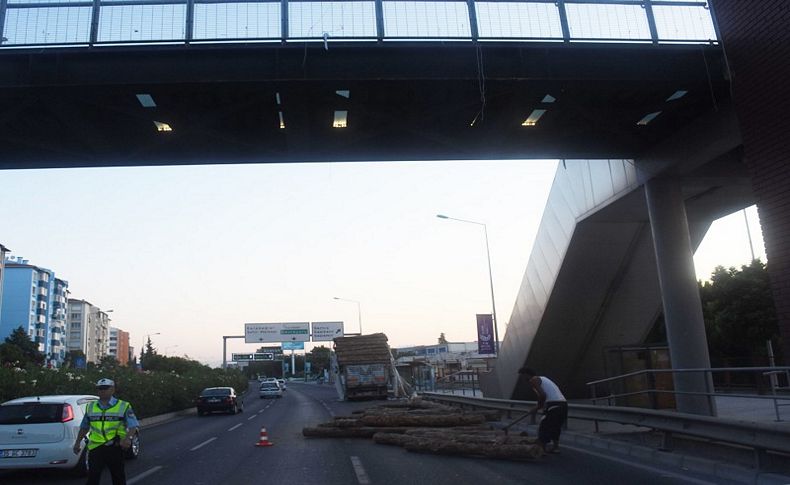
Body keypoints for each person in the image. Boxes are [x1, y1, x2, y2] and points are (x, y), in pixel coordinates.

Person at [73, 378, 140, 485]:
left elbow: (133, 424)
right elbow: (85, 426)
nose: (102, 391)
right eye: (99, 388)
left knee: (118, 476)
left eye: (105, 388)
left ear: (113, 389)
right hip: (96, 447)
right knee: (93, 478)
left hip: (115, 446)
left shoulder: (123, 405)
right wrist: (77, 443)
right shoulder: (91, 406)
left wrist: (128, 439)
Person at [519, 367, 567, 453]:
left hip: (553, 405)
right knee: (555, 427)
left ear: (526, 374)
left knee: (544, 427)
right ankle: (555, 447)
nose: (522, 379)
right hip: (563, 404)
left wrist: (537, 407)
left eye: (522, 376)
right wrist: (541, 406)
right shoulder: (543, 378)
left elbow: (543, 395)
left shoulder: (533, 380)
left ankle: (541, 449)